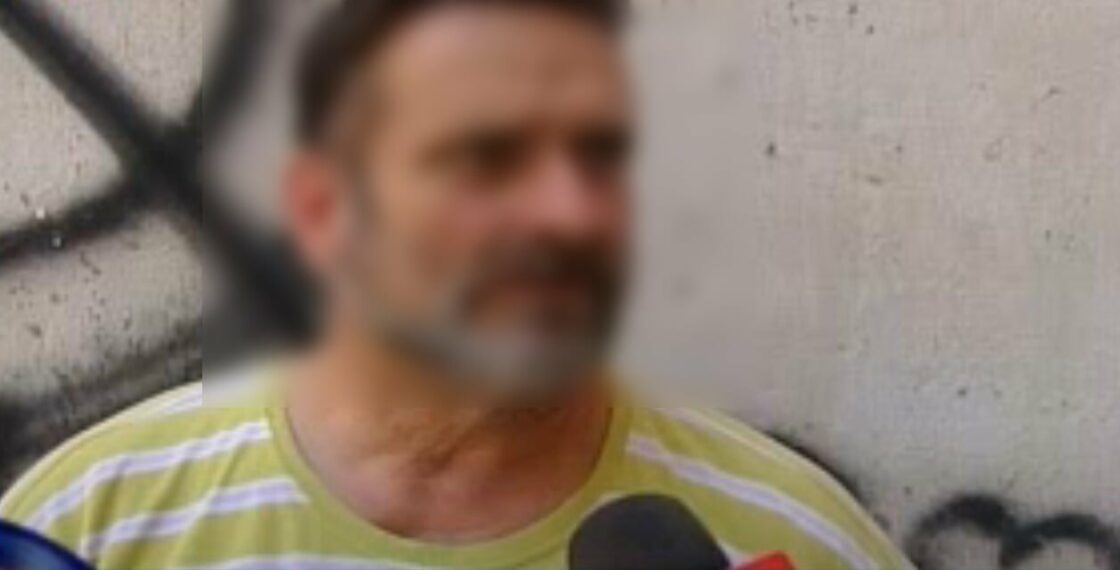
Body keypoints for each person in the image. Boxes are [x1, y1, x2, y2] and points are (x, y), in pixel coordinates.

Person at [0, 1, 913, 568]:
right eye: (487, 158)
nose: (567, 213)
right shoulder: (89, 524)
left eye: (601, 158)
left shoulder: (803, 538)